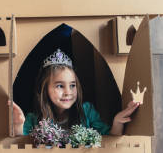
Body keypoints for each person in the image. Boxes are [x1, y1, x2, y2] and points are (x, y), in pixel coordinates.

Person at [9, 49, 139, 137]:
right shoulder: (33, 119)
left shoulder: (87, 112)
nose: (68, 92)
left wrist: (117, 122)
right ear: (45, 89)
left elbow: (109, 140)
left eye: (72, 85)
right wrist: (18, 125)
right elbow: (21, 144)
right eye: (60, 86)